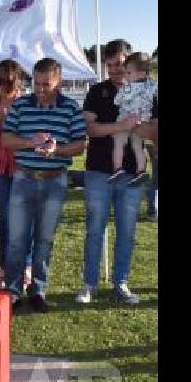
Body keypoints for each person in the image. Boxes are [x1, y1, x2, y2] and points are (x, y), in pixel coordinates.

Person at [75, 40, 159, 305]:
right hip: (99, 171)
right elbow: (89, 129)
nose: (114, 70)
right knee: (95, 229)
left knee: (127, 231)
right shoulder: (96, 91)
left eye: (119, 65)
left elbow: (154, 133)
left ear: (130, 64)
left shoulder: (148, 91)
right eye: (109, 65)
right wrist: (121, 125)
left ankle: (120, 283)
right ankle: (89, 284)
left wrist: (136, 127)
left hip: (132, 174)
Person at [0, 57, 86, 312]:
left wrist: (57, 149)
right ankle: (13, 290)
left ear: (58, 81)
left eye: (45, 84)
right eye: (36, 83)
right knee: (16, 239)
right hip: (23, 178)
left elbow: (80, 145)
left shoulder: (70, 107)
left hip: (54, 181)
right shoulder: (21, 105)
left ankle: (38, 289)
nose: (39, 89)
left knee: (44, 239)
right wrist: (31, 142)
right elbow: (6, 139)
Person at [0, 59, 34, 291]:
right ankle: (5, 267)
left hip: (24, 167)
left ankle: (27, 267)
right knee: (6, 219)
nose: (5, 86)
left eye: (9, 81)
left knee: (25, 219)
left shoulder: (27, 103)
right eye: (0, 81)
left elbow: (32, 136)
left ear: (17, 80)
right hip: (1, 169)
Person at [109, 52, 158, 185]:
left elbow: (116, 101)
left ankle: (117, 168)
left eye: (128, 73)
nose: (125, 76)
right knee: (138, 146)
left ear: (141, 73)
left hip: (126, 118)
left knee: (119, 143)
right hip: (143, 120)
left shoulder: (127, 88)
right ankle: (141, 170)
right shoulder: (152, 85)